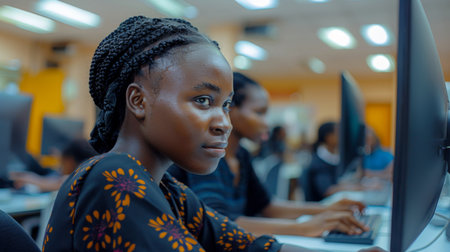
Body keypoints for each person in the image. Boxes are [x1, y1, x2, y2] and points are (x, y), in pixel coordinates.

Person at [41, 16, 331, 252]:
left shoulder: (167, 190)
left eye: (226, 105)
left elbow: (249, 245)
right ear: (138, 101)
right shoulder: (114, 178)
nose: (225, 123)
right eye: (203, 100)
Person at [170, 72, 369, 237]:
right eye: (259, 112)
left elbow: (267, 206)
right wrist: (305, 228)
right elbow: (219, 222)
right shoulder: (208, 155)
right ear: (229, 108)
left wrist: (327, 210)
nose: (266, 123)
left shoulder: (241, 155)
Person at [9, 139, 97, 192]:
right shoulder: (93, 171)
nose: (61, 170)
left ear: (70, 160)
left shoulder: (79, 178)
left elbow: (60, 182)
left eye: (62, 164)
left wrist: (30, 179)